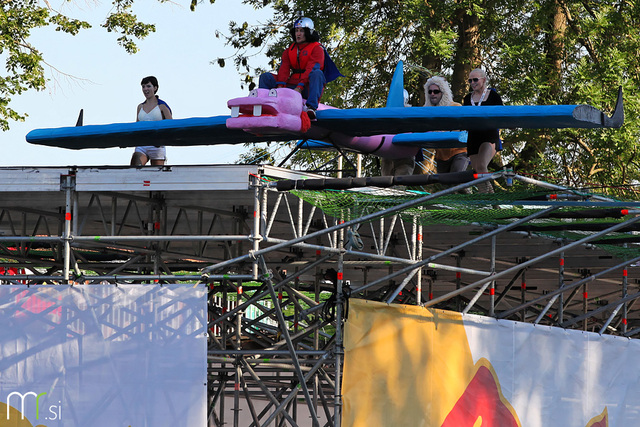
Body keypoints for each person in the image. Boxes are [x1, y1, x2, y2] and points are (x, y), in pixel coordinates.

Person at [258, 16, 331, 120]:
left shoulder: (317, 49)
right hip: (292, 85)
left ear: (308, 32)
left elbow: (311, 69)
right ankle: (264, 106)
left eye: (301, 30)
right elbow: (284, 69)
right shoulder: (289, 50)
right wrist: (280, 86)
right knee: (265, 77)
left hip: (307, 87)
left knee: (317, 74)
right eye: (296, 31)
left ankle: (311, 107)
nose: (298, 34)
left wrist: (300, 87)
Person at [463, 68, 503, 193]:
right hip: (473, 137)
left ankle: (485, 200)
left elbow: (503, 114)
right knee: (478, 173)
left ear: (484, 80)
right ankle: (492, 203)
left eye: (475, 79)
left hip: (489, 136)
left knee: (481, 166)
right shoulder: (467, 98)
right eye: (470, 80)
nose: (472, 83)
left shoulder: (493, 95)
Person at [423, 76, 469, 175]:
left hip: (459, 151)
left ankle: (486, 190)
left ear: (443, 93)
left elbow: (462, 128)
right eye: (429, 92)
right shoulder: (426, 111)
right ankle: (468, 189)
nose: (432, 94)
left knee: (457, 178)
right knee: (447, 186)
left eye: (436, 91)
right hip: (441, 156)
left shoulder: (455, 107)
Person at [131, 76, 173, 166]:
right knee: (135, 166)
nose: (145, 89)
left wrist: (162, 139)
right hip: (142, 144)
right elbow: (137, 125)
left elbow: (172, 125)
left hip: (157, 146)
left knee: (156, 174)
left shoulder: (162, 106)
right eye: (143, 86)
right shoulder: (140, 107)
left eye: (148, 86)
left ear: (155, 88)